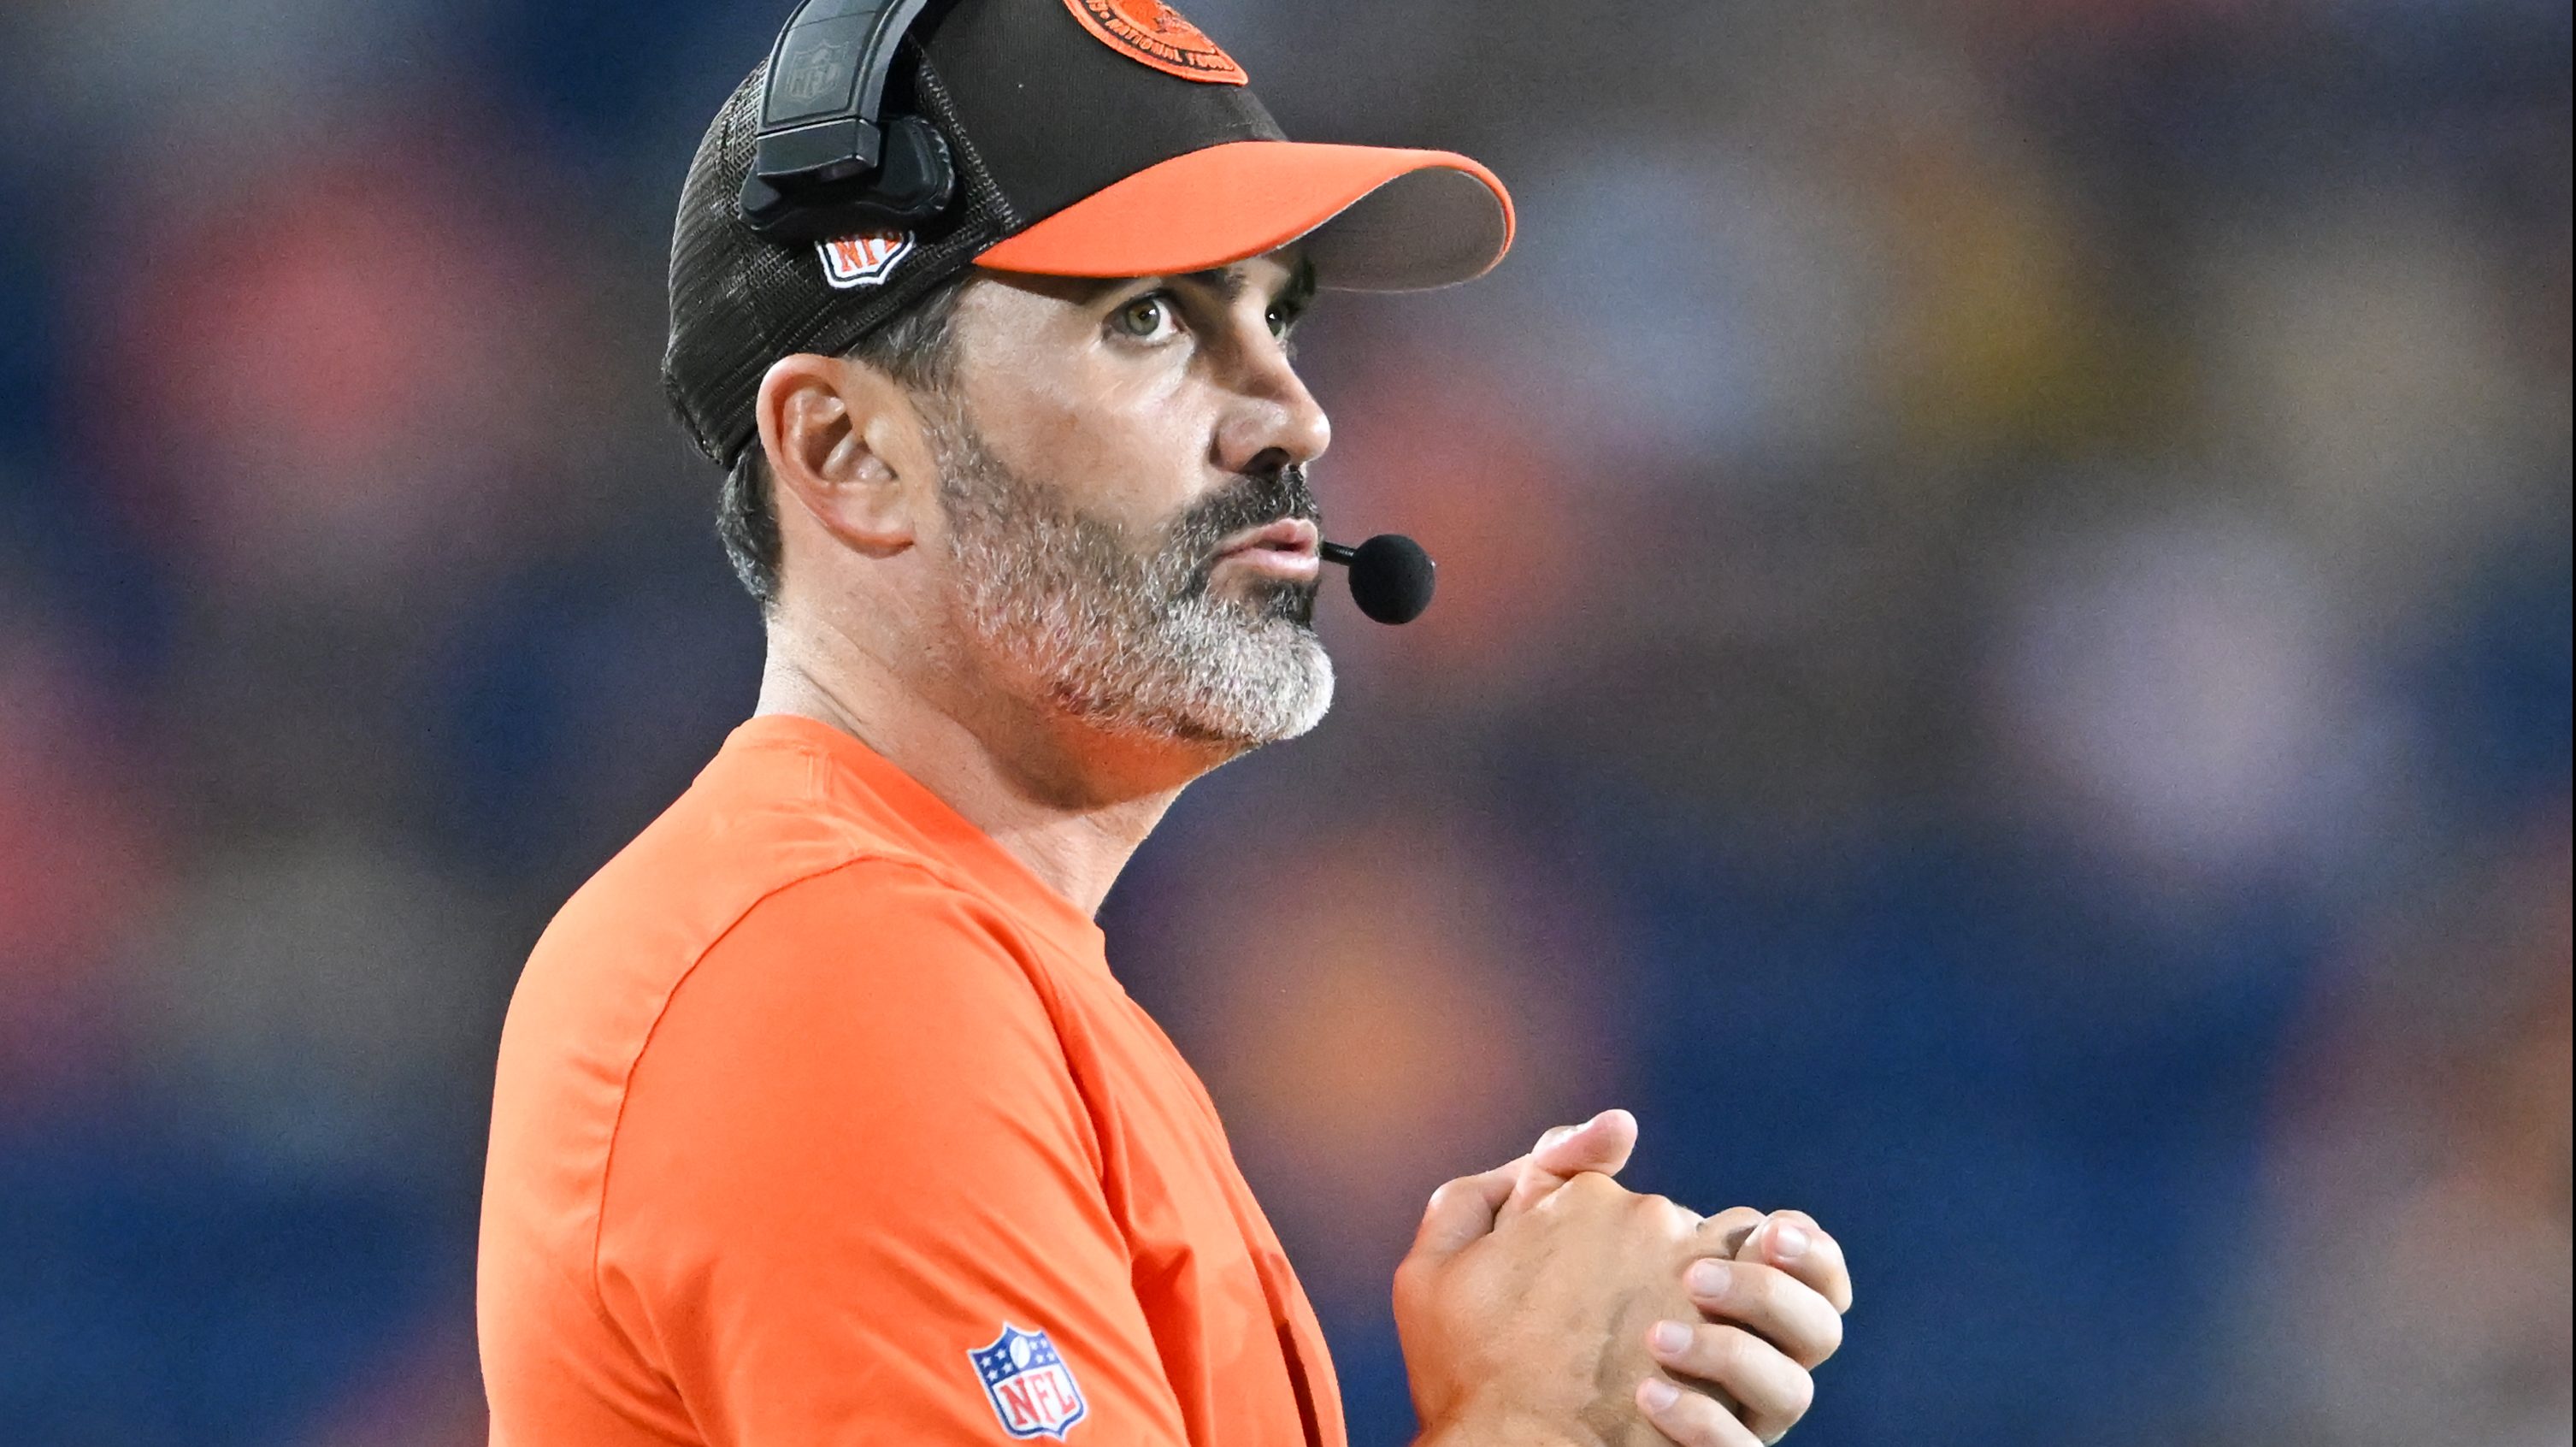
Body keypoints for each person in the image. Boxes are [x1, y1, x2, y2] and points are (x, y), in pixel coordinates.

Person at [476, 2, 1853, 1444]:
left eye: (1278, 315)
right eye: (1146, 318)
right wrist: (1532, 1423)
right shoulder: (827, 969)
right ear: (849, 454)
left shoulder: (990, 979)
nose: (1293, 417)